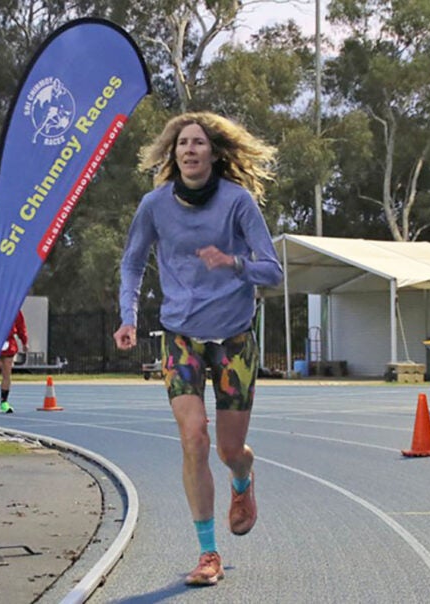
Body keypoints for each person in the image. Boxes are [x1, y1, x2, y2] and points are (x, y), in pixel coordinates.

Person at [113, 112, 283, 586]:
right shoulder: (154, 205)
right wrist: (128, 317)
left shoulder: (237, 201)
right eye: (182, 143)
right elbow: (132, 265)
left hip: (234, 338)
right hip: (181, 336)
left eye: (198, 143)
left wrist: (233, 263)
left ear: (214, 153)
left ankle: (243, 477)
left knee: (229, 450)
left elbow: (272, 270)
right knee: (194, 437)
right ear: (174, 154)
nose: (189, 150)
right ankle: (208, 553)